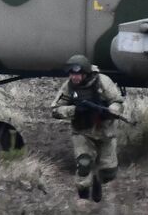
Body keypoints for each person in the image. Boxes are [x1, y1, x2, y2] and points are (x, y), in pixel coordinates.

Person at [51, 54, 126, 203]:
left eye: (78, 74)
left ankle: (98, 180)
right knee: (84, 164)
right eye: (72, 74)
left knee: (108, 172)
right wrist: (74, 110)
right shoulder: (69, 87)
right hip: (82, 131)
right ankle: (83, 198)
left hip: (105, 131)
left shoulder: (102, 82)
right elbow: (55, 109)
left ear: (85, 73)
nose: (75, 78)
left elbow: (117, 101)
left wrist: (111, 110)